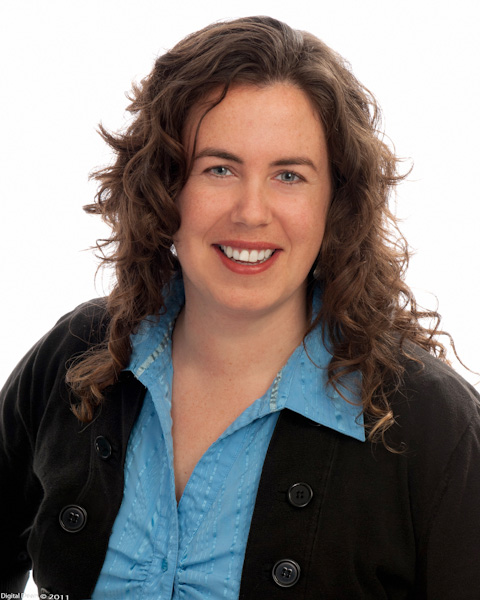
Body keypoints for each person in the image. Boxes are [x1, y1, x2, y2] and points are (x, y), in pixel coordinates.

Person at [1, 15, 479, 600]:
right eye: (219, 168)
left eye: (289, 175)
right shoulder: (75, 357)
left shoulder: (434, 424)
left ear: (338, 200)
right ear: (165, 183)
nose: (252, 212)